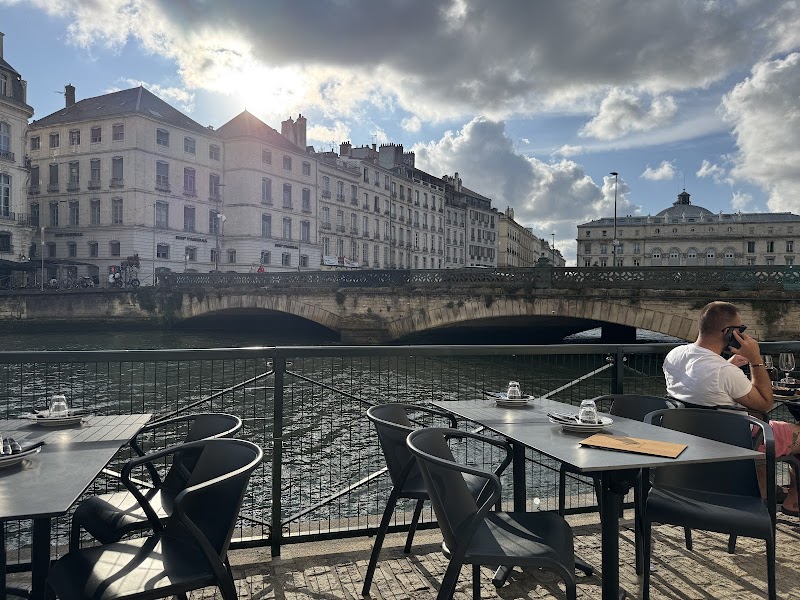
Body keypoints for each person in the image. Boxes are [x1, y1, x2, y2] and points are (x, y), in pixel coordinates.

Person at [663, 301, 800, 515]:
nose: (743, 334)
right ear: (728, 332)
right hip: (735, 445)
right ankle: (794, 501)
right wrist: (755, 360)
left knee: (761, 426)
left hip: (693, 443)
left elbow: (702, 382)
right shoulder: (724, 372)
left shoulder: (675, 355)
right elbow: (765, 402)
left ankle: (762, 493)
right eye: (741, 330)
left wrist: (728, 364)